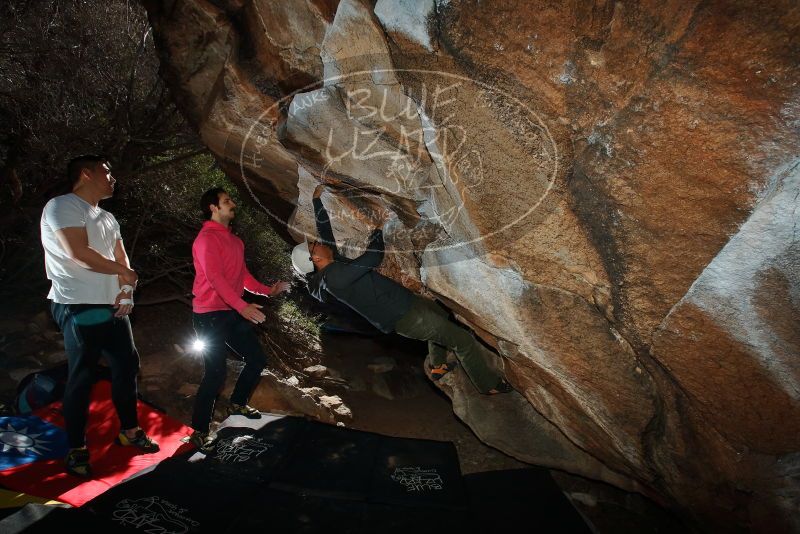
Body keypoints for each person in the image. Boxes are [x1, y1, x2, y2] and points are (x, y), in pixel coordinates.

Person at [291, 184, 512, 395]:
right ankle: (487, 385)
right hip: (406, 316)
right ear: (316, 258)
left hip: (403, 302)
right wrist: (377, 231)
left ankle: (437, 365)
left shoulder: (330, 265)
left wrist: (317, 201)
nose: (317, 242)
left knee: (441, 314)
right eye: (313, 245)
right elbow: (373, 258)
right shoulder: (335, 278)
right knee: (462, 340)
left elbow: (325, 234)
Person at [40, 155, 159, 478]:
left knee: (127, 366)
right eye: (107, 171)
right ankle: (77, 447)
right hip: (78, 303)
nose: (113, 177)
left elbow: (121, 256)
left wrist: (126, 291)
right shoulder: (62, 206)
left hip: (111, 306)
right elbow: (78, 253)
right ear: (85, 173)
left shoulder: (108, 218)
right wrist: (125, 273)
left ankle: (130, 430)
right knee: (82, 375)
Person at [190, 187, 290, 450]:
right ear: (213, 207)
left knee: (257, 359)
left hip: (230, 312)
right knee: (215, 372)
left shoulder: (235, 241)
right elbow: (215, 278)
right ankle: (199, 431)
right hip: (208, 315)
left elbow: (242, 277)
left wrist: (268, 290)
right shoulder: (206, 239)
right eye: (226, 201)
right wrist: (242, 306)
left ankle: (237, 403)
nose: (232, 204)